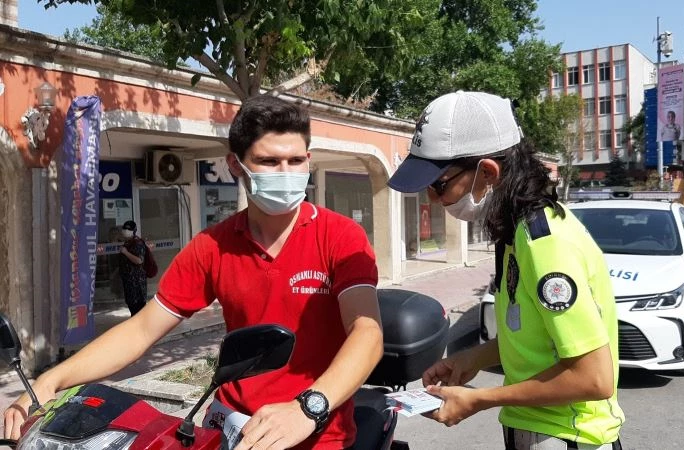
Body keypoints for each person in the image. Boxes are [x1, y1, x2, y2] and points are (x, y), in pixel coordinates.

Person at [4, 95, 384, 450]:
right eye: (269, 162)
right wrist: (51, 379)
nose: (286, 173)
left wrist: (308, 407)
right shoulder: (212, 245)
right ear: (235, 164)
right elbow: (141, 330)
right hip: (228, 427)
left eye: (296, 161)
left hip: (315, 430)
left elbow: (366, 332)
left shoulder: (340, 236)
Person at [388, 91, 624, 449]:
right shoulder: (516, 234)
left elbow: (594, 377)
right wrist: (472, 358)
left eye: (438, 185)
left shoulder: (546, 245)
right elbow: (537, 337)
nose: (432, 200)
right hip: (537, 431)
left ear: (488, 172)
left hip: (568, 436)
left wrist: (479, 399)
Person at [118, 220, 148, 316]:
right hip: (129, 283)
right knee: (133, 308)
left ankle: (141, 329)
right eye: (124, 228)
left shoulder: (138, 243)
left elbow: (139, 260)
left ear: (133, 231)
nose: (125, 231)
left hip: (137, 284)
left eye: (128, 229)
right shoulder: (128, 243)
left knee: (138, 310)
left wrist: (125, 252)